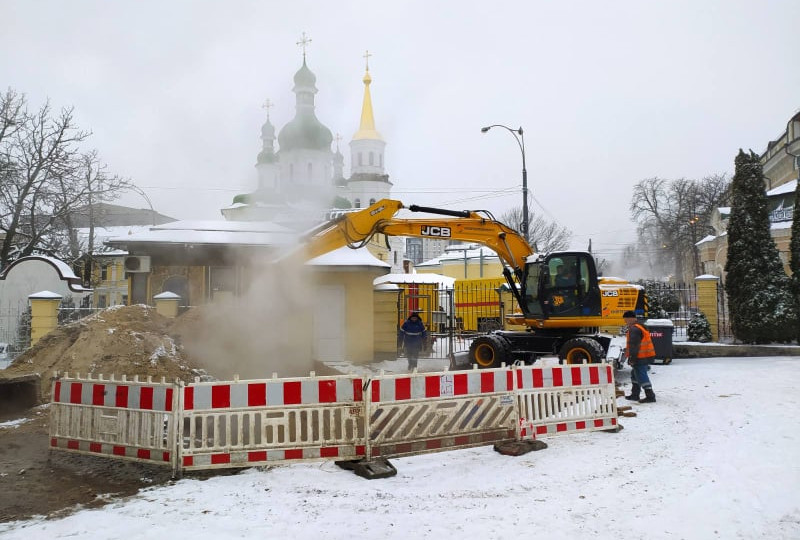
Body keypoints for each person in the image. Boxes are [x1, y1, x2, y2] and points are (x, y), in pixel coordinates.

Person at [623, 310, 656, 403]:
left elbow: (634, 345)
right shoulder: (640, 326)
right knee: (635, 374)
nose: (625, 322)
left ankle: (650, 396)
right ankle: (635, 394)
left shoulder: (634, 329)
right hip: (645, 355)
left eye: (626, 319)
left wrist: (632, 359)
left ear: (630, 318)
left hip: (640, 356)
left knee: (641, 375)